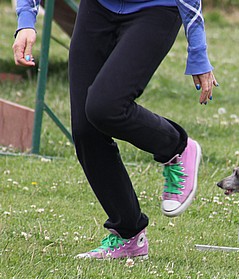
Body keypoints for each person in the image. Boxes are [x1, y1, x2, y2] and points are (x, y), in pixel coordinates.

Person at [13, 0, 217, 259]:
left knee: (105, 106)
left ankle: (177, 147)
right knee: (85, 131)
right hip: (97, 8)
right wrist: (25, 21)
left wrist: (198, 49)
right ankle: (129, 234)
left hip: (154, 9)